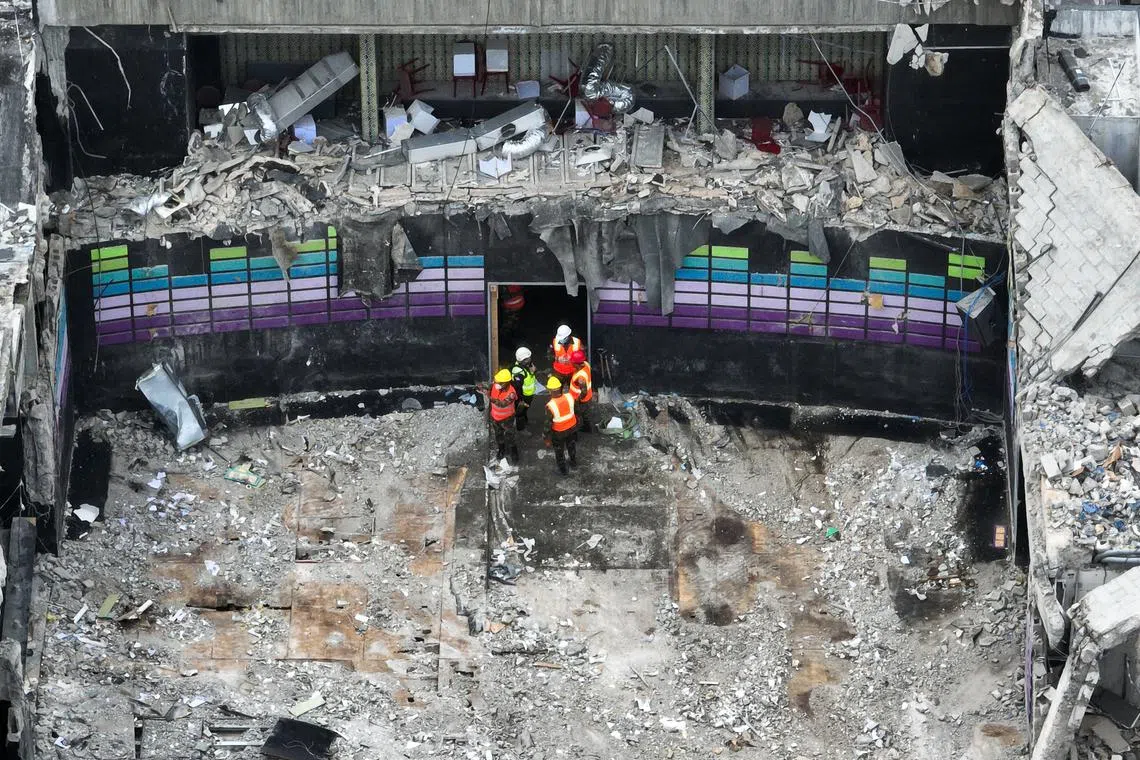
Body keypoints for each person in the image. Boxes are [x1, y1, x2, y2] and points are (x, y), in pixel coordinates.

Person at [544, 375, 578, 475]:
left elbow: (547, 425)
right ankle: (573, 462)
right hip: (571, 428)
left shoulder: (550, 406)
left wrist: (546, 438)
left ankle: (563, 470)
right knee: (571, 445)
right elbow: (577, 411)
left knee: (559, 451)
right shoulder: (569, 397)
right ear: (560, 388)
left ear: (549, 390)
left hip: (559, 432)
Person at [488, 369, 520, 464]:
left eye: (500, 382)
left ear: (506, 383)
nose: (496, 384)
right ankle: (501, 450)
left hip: (507, 419)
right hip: (495, 417)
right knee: (498, 434)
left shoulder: (511, 393)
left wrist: (490, 398)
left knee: (510, 435)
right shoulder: (495, 385)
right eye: (497, 381)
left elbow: (502, 404)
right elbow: (488, 387)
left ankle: (514, 453)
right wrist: (482, 388)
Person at [510, 346, 538, 431]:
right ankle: (521, 429)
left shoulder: (526, 365)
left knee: (525, 410)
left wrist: (534, 371)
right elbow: (517, 388)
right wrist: (520, 400)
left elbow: (530, 374)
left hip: (528, 394)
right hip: (523, 396)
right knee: (520, 413)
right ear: (523, 360)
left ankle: (525, 422)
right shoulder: (518, 372)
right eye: (528, 358)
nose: (530, 359)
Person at [568, 349, 593, 433]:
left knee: (577, 415)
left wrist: (578, 399)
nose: (571, 363)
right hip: (588, 397)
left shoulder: (580, 378)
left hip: (581, 400)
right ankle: (587, 428)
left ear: (576, 364)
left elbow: (584, 391)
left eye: (572, 362)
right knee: (585, 414)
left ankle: (576, 432)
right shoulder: (586, 364)